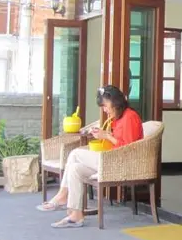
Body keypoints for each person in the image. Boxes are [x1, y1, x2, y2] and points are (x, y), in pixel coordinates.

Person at [37, 85, 144, 228]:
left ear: (115, 102)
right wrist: (104, 135)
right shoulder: (118, 118)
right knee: (75, 169)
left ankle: (62, 195)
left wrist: (106, 136)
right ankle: (76, 215)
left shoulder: (130, 117)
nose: (104, 110)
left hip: (121, 162)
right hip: (111, 160)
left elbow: (128, 148)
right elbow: (117, 141)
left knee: (75, 153)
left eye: (105, 106)